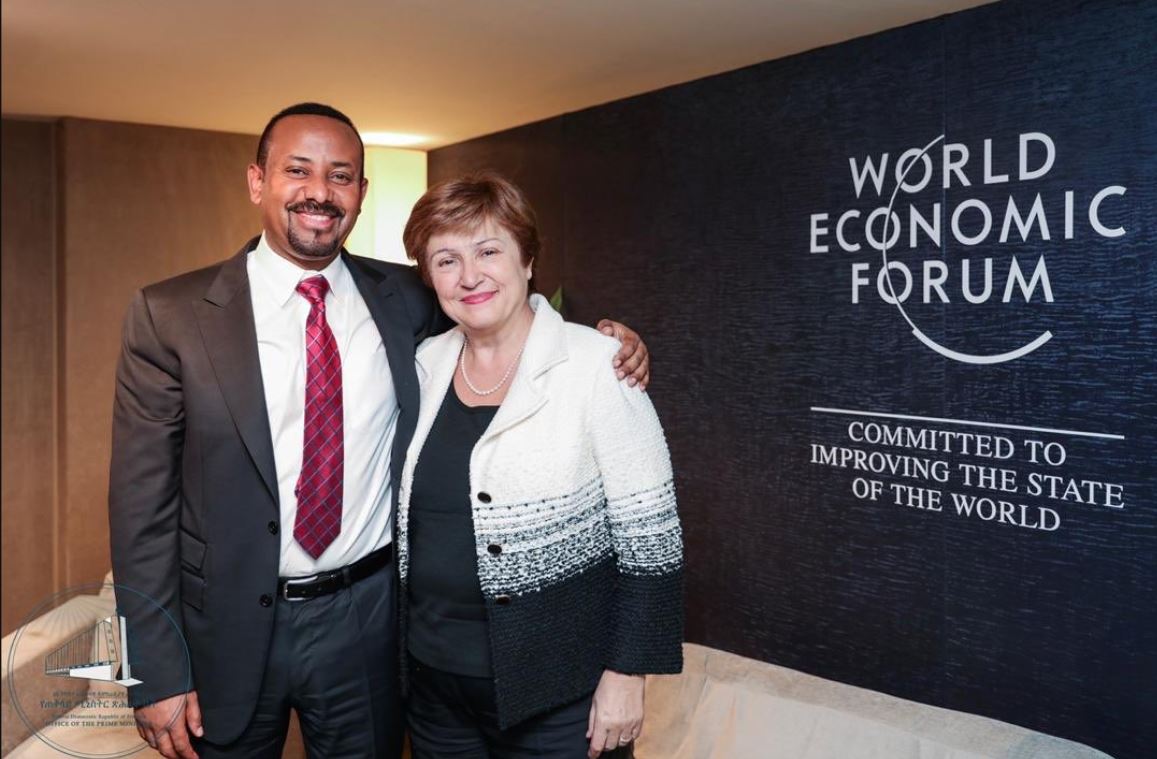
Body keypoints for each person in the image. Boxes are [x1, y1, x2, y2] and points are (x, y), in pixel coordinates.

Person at [108, 103, 650, 759]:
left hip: (365, 624)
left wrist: (606, 340)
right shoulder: (171, 315)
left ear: (361, 194)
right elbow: (141, 509)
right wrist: (154, 669)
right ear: (258, 181)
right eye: (298, 170)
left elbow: (501, 313)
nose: (319, 192)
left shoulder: (409, 297)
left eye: (341, 175)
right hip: (223, 629)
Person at [398, 172, 683, 759]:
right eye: (447, 259)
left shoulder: (597, 365)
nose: (470, 275)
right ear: (430, 278)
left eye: (488, 251)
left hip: (560, 694)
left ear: (527, 259)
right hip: (434, 690)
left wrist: (629, 673)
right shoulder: (424, 364)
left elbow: (652, 540)